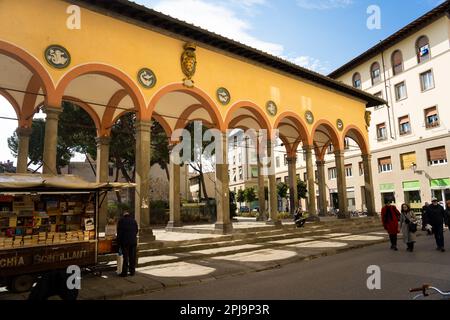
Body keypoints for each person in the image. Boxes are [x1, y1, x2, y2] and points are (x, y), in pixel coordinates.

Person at [117, 211, 139, 277]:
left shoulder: (121, 221)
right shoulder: (134, 221)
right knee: (132, 257)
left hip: (125, 242)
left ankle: (124, 272)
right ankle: (132, 271)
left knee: (125, 257)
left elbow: (119, 232)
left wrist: (119, 242)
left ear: (123, 215)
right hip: (133, 241)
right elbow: (136, 230)